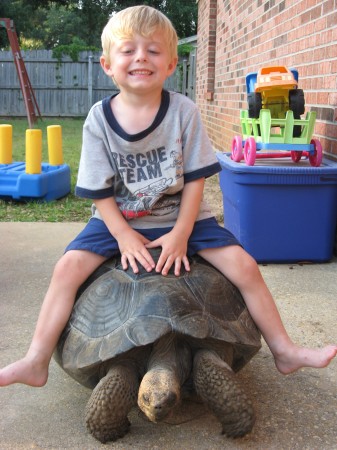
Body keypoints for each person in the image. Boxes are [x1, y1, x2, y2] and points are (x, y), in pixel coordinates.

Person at [0, 5, 336, 388]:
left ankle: (284, 350)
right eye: (128, 50)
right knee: (66, 270)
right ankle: (36, 359)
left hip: (184, 214)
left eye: (153, 50)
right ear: (107, 64)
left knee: (244, 266)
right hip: (118, 218)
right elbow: (99, 192)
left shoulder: (184, 112)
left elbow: (195, 180)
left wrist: (181, 233)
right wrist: (123, 236)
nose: (141, 56)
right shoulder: (98, 119)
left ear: (172, 63)